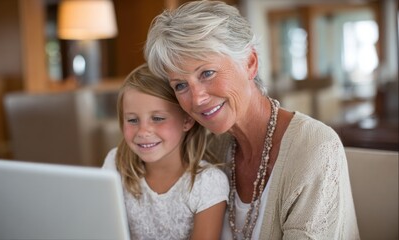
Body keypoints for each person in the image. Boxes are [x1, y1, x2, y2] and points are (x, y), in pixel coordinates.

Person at [144, 1, 360, 239]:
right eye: (181, 85)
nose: (197, 99)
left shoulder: (314, 148)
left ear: (250, 63)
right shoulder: (208, 148)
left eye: (207, 73)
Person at [102, 63, 229, 240]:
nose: (143, 131)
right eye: (132, 120)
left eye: (158, 118)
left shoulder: (208, 183)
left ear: (187, 120)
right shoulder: (116, 163)